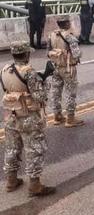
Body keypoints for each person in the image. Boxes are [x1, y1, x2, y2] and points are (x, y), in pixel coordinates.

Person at [1, 41, 56, 197]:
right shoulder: (29, 72)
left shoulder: (5, 70)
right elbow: (41, 96)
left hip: (12, 116)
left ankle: (11, 181)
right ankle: (35, 186)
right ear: (26, 54)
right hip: (28, 118)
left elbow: (10, 89)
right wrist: (46, 80)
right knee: (34, 149)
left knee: (12, 148)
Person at [48, 15, 85, 127]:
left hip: (56, 67)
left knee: (56, 92)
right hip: (68, 68)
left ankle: (57, 116)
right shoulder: (69, 37)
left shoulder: (52, 35)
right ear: (67, 24)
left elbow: (48, 52)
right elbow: (77, 54)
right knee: (70, 93)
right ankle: (70, 118)